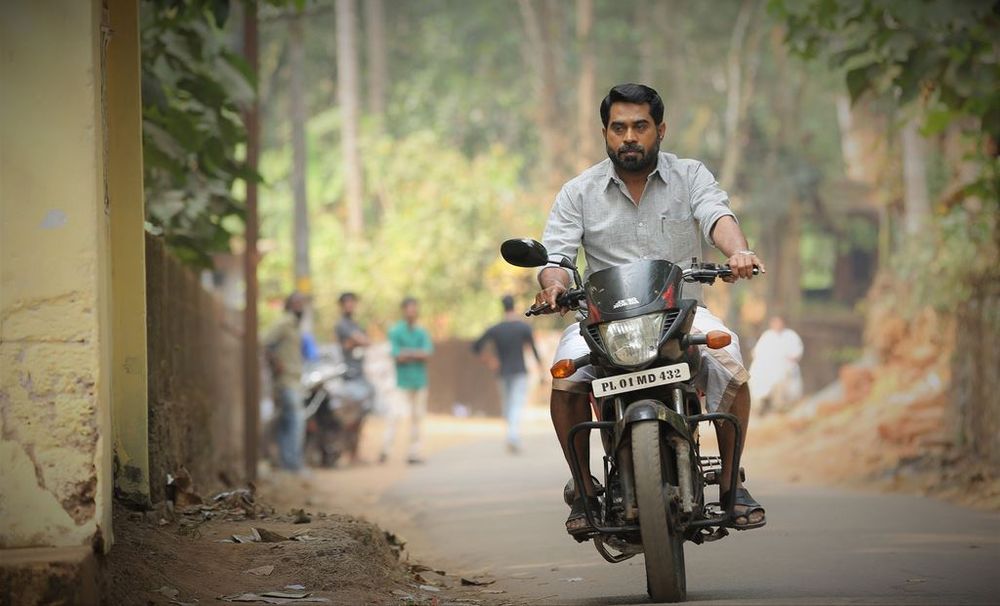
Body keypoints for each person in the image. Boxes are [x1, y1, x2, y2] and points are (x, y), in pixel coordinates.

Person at [534, 83, 767, 536]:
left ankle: (731, 486)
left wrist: (739, 252)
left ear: (660, 130)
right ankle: (584, 491)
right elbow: (557, 255)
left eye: (640, 126)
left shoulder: (689, 175)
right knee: (565, 377)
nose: (629, 137)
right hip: (601, 322)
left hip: (682, 314)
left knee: (729, 357)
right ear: (605, 132)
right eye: (618, 127)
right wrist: (554, 287)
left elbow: (716, 215)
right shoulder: (578, 191)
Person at [473, 295, 542, 454]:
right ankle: (513, 437)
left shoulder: (496, 329)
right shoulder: (523, 327)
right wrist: (541, 369)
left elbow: (476, 346)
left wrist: (489, 360)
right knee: (516, 404)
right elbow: (534, 349)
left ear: (502, 307)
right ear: (514, 306)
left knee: (508, 405)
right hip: (519, 371)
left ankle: (512, 436)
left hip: (502, 372)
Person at [380, 297, 434, 464]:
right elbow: (397, 356)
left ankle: (414, 453)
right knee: (394, 415)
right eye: (409, 308)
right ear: (403, 311)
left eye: (414, 308)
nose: (412, 312)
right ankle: (385, 450)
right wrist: (415, 354)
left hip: (419, 381)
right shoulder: (396, 331)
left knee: (417, 417)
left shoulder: (422, 332)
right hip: (401, 382)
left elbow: (426, 354)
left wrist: (407, 353)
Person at [263, 292, 307, 472]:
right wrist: (276, 363)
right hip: (286, 380)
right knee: (296, 420)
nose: (300, 306)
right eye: (296, 303)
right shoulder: (284, 323)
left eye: (302, 303)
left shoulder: (295, 325)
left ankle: (286, 465)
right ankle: (294, 465)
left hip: (293, 379)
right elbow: (264, 342)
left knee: (286, 422)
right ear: (289, 305)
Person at [333, 292, 376, 464]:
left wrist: (355, 342)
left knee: (360, 416)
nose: (350, 305)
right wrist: (356, 341)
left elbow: (366, 342)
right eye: (347, 303)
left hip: (360, 375)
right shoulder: (342, 325)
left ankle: (354, 454)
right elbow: (361, 341)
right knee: (349, 417)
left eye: (352, 302)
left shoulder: (356, 324)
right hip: (349, 377)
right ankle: (346, 452)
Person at [749, 315, 804, 415]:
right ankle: (759, 407)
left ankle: (779, 406)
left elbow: (796, 353)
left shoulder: (790, 335)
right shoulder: (767, 335)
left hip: (784, 367)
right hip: (766, 367)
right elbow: (757, 352)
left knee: (780, 382)